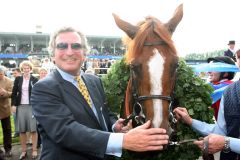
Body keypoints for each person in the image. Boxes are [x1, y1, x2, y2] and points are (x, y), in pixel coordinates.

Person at [31, 26, 169, 160]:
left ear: (85, 53)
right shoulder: (43, 88)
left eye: (76, 46)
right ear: (53, 55)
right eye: (62, 46)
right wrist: (123, 140)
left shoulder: (94, 81)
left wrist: (115, 126)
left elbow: (103, 115)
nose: (69, 52)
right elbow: (65, 131)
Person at [174, 78, 240, 160]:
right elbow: (221, 132)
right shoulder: (229, 92)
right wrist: (190, 121)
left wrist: (227, 143)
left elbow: (224, 140)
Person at [11, 61, 39, 160]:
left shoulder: (35, 79)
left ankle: (34, 150)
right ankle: (23, 151)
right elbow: (14, 93)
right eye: (24, 68)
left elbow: (37, 94)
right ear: (22, 70)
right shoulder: (18, 79)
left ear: (30, 69)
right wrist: (13, 105)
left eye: (28, 68)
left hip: (32, 107)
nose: (26, 70)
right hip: (21, 106)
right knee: (22, 130)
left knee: (33, 129)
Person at [0, 66, 13, 158]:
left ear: (4, 73)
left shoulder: (9, 81)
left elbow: (12, 93)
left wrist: (5, 93)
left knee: (7, 130)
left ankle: (8, 149)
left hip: (5, 109)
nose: (0, 76)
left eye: (1, 74)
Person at [11, 68, 22, 138]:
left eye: (15, 73)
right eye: (13, 73)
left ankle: (20, 131)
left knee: (20, 118)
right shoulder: (14, 80)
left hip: (21, 103)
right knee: (15, 117)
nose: (14, 75)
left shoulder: (22, 80)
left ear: (19, 73)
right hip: (15, 103)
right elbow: (13, 93)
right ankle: (17, 132)